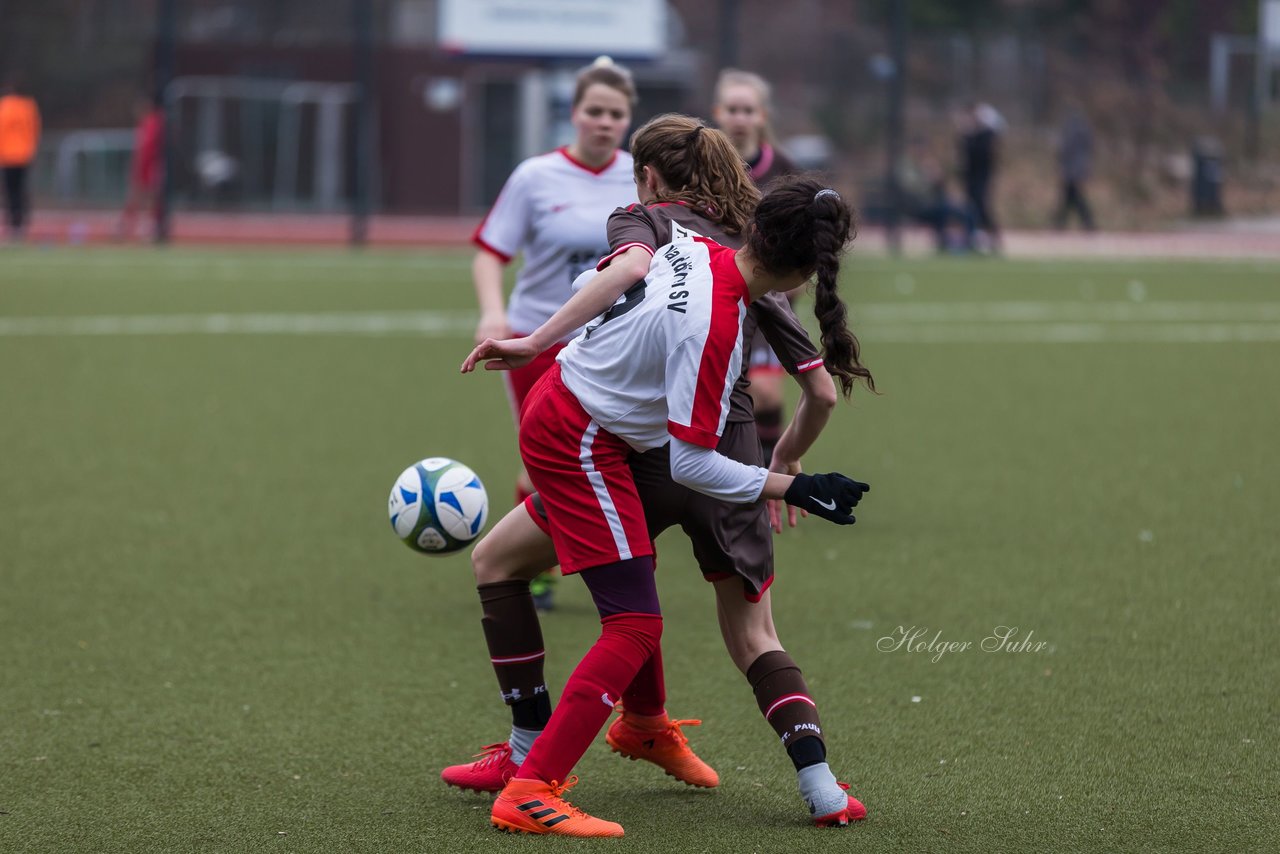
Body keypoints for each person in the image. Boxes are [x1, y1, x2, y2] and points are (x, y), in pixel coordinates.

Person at [459, 170, 874, 838]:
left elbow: (608, 282)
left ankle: (559, 748)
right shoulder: (714, 330)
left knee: (499, 561)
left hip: (580, 415)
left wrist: (540, 342)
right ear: (807, 270)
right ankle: (531, 788)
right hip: (585, 441)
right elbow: (692, 466)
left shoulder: (695, 247)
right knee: (634, 628)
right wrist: (793, 485)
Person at [469, 57, 638, 611]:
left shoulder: (639, 175)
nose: (604, 122)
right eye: (595, 111)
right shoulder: (535, 176)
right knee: (546, 457)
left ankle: (617, 555)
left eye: (616, 113)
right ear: (574, 114)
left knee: (621, 453)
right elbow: (490, 252)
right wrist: (494, 314)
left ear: (628, 118)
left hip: (614, 339)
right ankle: (534, 566)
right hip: (535, 338)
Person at [712, 69, 798, 465]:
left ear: (762, 116)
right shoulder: (701, 164)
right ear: (718, 113)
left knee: (764, 392)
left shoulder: (782, 169)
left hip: (768, 295)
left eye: (748, 109)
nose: (740, 117)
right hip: (715, 292)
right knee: (719, 393)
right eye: (732, 109)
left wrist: (795, 274)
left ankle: (766, 471)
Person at [117, 93, 166, 242]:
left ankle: (151, 229)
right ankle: (125, 228)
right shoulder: (143, 124)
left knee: (152, 199)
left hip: (151, 167)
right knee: (133, 198)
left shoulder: (155, 122)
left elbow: (153, 148)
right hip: (140, 168)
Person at [957, 102, 1003, 253]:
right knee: (971, 208)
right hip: (970, 177)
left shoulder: (986, 135)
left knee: (981, 206)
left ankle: (993, 237)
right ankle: (972, 239)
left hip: (982, 176)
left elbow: (983, 154)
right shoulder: (969, 136)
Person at [0, 77, 41, 242]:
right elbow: (34, 130)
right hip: (24, 155)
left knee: (10, 191)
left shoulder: (5, 106)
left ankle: (13, 223)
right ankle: (22, 221)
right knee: (21, 190)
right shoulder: (29, 107)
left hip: (8, 156)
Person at [1054, 108, 1096, 231]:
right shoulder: (1085, 131)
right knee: (1071, 196)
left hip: (1071, 169)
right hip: (1079, 168)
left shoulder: (1070, 132)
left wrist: (1061, 165)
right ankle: (1062, 222)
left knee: (1073, 196)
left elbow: (1065, 150)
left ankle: (1062, 222)